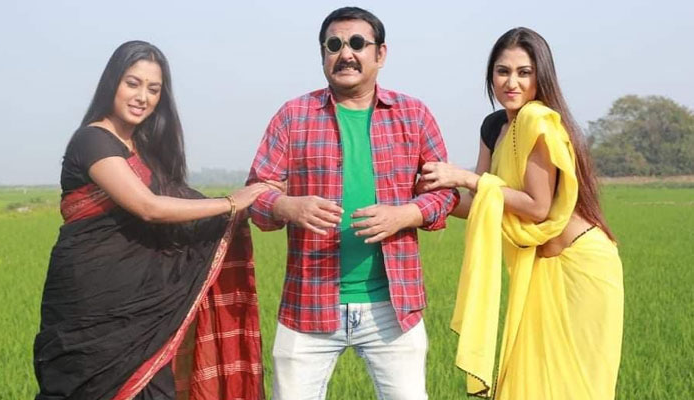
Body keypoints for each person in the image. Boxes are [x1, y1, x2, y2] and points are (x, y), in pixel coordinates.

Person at [33, 41, 273, 400]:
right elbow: (149, 207)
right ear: (112, 83)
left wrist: (260, 198)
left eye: (153, 89)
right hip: (91, 304)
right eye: (133, 83)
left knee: (156, 389)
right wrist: (230, 203)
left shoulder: (145, 153)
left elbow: (181, 203)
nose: (142, 97)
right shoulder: (92, 140)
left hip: (146, 311)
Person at [246, 7, 458, 400]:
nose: (346, 54)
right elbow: (256, 192)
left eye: (358, 43)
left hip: (392, 307)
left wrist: (405, 214)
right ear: (322, 55)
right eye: (334, 45)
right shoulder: (293, 116)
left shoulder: (413, 115)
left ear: (381, 54)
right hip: (308, 302)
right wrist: (287, 206)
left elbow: (444, 191)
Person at [419, 27, 624, 399]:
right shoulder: (493, 127)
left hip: (582, 266)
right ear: (491, 76)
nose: (511, 82)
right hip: (538, 269)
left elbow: (537, 207)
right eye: (502, 71)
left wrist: (463, 176)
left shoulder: (538, 121)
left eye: (523, 72)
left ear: (540, 77)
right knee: (529, 383)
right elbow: (482, 204)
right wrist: (427, 193)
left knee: (578, 385)